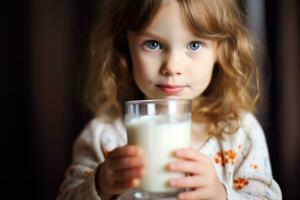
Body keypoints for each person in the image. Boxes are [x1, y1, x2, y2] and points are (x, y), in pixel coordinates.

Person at [57, 0, 282, 199]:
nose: (172, 67)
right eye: (153, 44)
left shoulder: (238, 131)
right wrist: (101, 184)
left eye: (194, 45)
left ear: (221, 52)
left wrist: (221, 195)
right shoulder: (102, 137)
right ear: (126, 48)